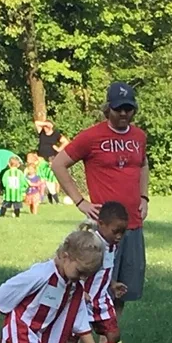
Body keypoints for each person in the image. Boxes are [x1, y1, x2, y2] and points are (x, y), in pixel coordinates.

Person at [52, 82, 149, 330]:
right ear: (108, 110)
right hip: (103, 229)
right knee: (90, 286)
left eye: (129, 108)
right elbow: (59, 164)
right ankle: (74, 337)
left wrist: (144, 197)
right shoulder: (91, 137)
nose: (124, 114)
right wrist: (80, 201)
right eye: (119, 109)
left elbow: (143, 165)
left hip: (131, 225)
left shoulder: (139, 136)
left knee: (122, 290)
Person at [66, 202, 129, 343]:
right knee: (68, 340)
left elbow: (104, 270)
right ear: (101, 224)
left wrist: (113, 284)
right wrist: (81, 290)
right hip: (82, 300)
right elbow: (76, 270)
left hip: (101, 300)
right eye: (115, 231)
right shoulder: (91, 245)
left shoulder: (112, 245)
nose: (119, 236)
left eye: (122, 232)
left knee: (113, 334)